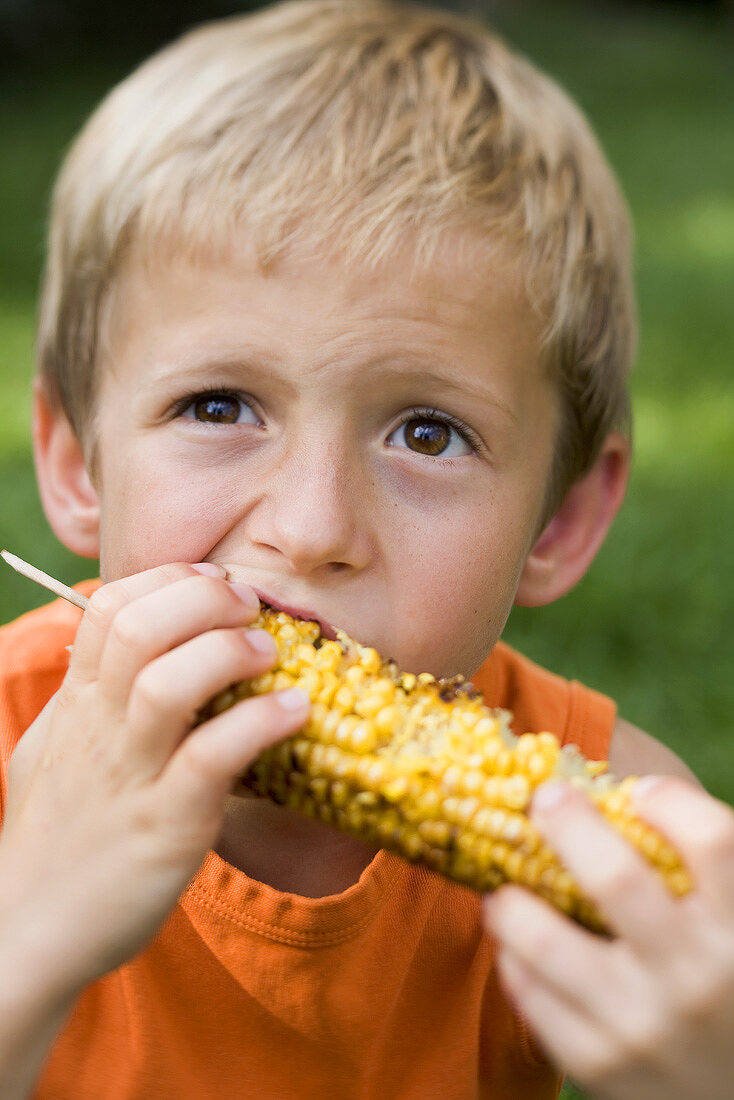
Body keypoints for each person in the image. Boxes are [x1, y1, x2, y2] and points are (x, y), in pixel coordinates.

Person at [1, 1, 733, 1096]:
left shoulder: (612, 818)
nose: (310, 527)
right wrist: (29, 934)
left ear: (560, 520)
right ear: (72, 462)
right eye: (217, 404)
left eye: (425, 433)